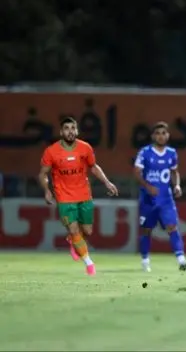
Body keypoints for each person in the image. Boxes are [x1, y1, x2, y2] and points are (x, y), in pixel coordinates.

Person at [38, 117, 119, 276]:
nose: (70, 131)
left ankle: (73, 240)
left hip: (84, 194)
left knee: (87, 231)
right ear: (61, 132)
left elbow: (93, 167)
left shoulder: (85, 148)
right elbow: (43, 174)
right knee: (74, 230)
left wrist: (107, 182)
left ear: (77, 131)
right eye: (66, 128)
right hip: (64, 197)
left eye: (73, 128)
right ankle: (89, 263)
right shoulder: (51, 151)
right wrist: (47, 190)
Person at [134, 122, 186, 272]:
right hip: (148, 199)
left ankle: (181, 260)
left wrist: (177, 185)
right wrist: (148, 187)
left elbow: (174, 172)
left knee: (172, 227)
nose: (161, 136)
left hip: (166, 199)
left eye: (164, 133)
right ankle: (145, 260)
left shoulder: (171, 153)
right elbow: (137, 172)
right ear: (153, 136)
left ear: (168, 135)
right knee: (147, 230)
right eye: (158, 133)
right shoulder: (145, 152)